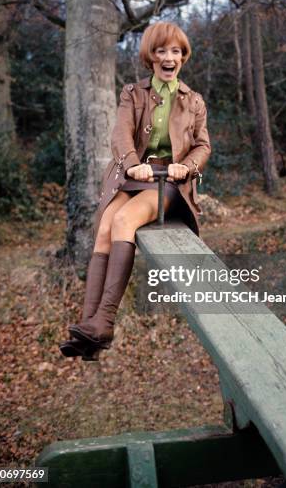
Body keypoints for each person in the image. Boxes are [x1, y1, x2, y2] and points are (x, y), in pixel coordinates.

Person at [59, 21, 211, 360]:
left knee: (124, 219)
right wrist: (130, 163)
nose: (168, 57)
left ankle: (105, 322)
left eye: (175, 51)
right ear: (150, 57)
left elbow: (203, 146)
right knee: (104, 228)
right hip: (132, 176)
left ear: (183, 57)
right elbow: (120, 134)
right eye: (161, 51)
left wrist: (185, 167)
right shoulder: (133, 93)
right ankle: (89, 328)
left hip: (169, 184)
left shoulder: (194, 101)